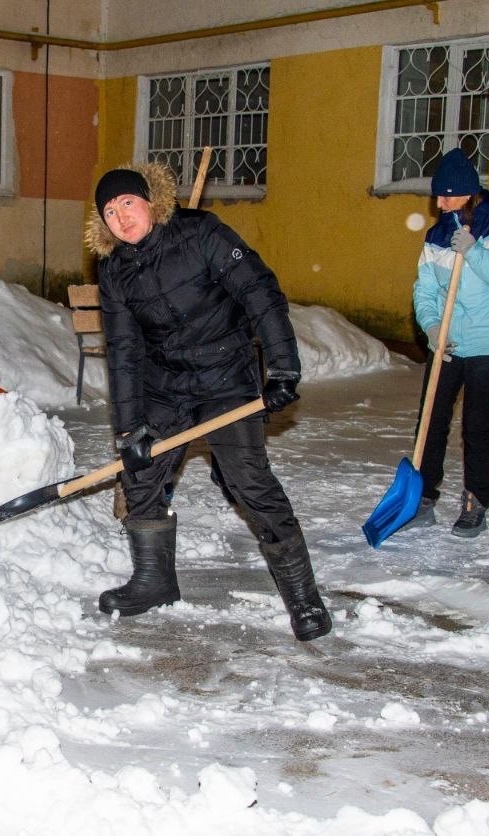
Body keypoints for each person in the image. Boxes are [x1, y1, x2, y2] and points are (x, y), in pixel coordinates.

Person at [84, 163, 332, 642]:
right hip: (165, 385)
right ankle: (155, 582)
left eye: (128, 204)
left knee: (249, 482)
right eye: (110, 212)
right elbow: (124, 352)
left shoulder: (200, 234)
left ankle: (303, 596)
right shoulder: (114, 269)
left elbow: (259, 291)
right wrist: (129, 428)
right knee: (141, 473)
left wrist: (282, 366)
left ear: (150, 202)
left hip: (226, 376)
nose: (121, 218)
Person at [408, 148, 489, 537]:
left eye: (448, 195)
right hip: (447, 341)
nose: (440, 203)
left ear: (468, 193)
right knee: (430, 420)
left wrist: (476, 251)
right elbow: (425, 289)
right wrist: (431, 328)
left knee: (476, 425)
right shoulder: (437, 235)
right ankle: (423, 496)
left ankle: (477, 500)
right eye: (437, 195)